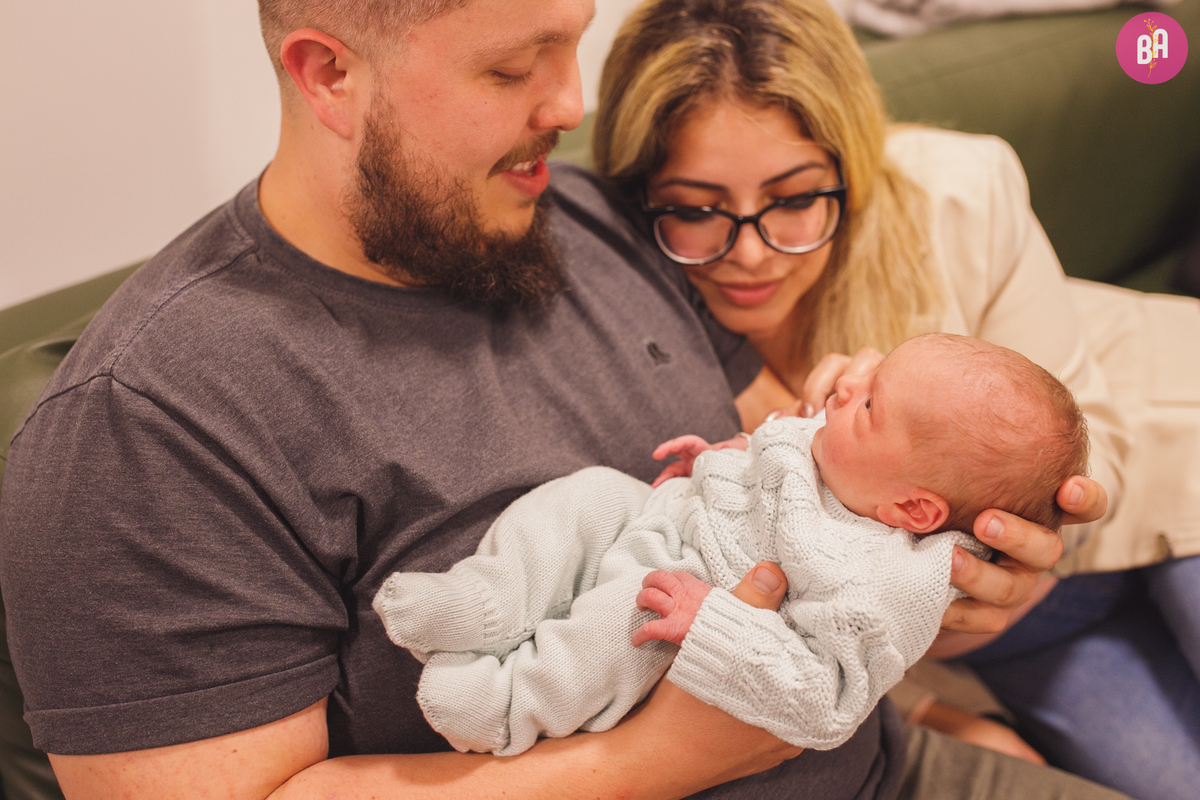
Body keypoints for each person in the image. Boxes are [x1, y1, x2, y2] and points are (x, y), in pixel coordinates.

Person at [0, 0, 1115, 798]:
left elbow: (810, 496)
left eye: (573, 44)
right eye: (514, 66)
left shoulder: (582, 219)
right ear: (328, 72)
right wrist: (651, 761)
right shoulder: (149, 424)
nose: (573, 103)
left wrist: (964, 591)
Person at [590, 1, 1200, 798]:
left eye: (795, 199)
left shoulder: (961, 193)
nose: (748, 253)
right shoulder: (625, 337)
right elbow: (795, 617)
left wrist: (1049, 515)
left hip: (1171, 472)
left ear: (851, 166)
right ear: (641, 196)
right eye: (697, 210)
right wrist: (936, 713)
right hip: (1010, 643)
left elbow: (1092, 436)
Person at [374, 333, 1086, 757]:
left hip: (691, 605)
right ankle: (490, 600)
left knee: (629, 617)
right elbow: (776, 464)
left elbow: (826, 699)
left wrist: (713, 622)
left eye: (871, 405)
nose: (848, 385)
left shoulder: (886, 582)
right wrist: (719, 458)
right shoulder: (853, 460)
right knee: (588, 492)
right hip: (665, 518)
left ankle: (505, 705)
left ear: (915, 509)